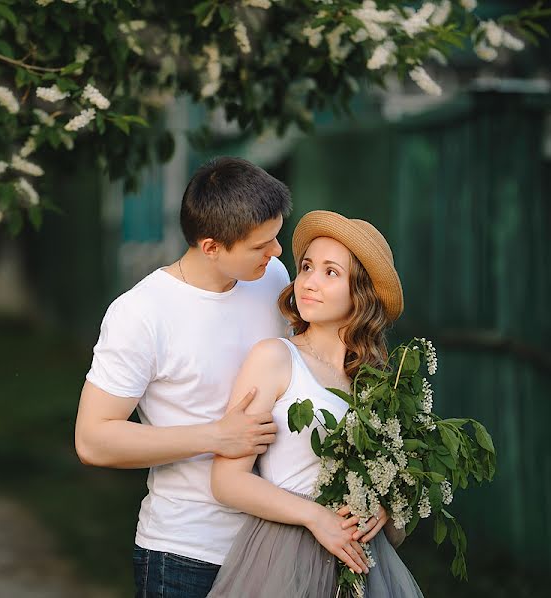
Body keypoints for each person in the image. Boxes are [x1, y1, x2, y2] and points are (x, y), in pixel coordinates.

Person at [76, 158, 368, 598]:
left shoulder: (270, 278)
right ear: (211, 246)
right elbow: (94, 440)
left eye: (276, 237)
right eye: (261, 245)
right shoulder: (141, 314)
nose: (276, 253)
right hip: (186, 552)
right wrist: (215, 436)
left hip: (277, 549)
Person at [208, 210, 425, 598]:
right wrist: (316, 517)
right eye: (307, 267)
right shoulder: (275, 359)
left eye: (330, 272)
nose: (308, 282)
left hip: (362, 567)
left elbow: (399, 530)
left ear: (361, 293)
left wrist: (384, 509)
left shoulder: (376, 383)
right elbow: (227, 481)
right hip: (285, 558)